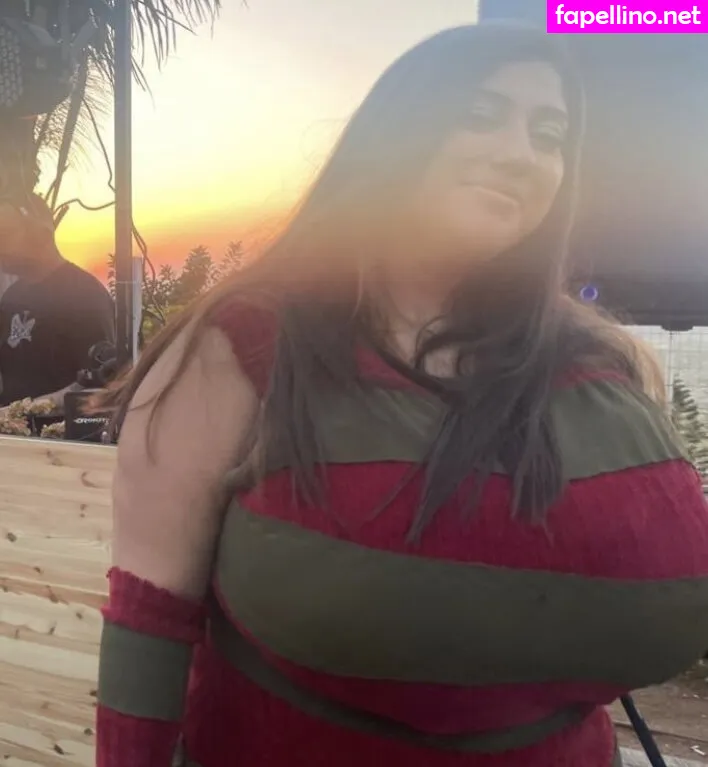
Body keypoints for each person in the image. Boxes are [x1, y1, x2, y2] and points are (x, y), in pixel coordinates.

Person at [96, 23, 708, 767]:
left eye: (549, 135)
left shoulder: (600, 360)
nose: (520, 153)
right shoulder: (244, 346)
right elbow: (150, 617)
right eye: (481, 115)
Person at [0, 194, 115, 411]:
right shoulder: (11, 296)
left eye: (5, 234)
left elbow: (98, 384)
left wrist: (24, 411)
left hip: (60, 431)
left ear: (40, 235)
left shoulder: (85, 295)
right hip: (10, 431)